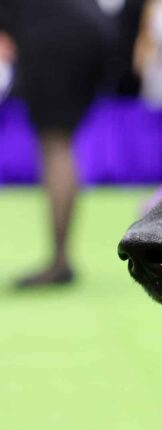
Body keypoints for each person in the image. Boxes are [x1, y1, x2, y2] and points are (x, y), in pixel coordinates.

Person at [0, 0, 113, 289]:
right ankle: (60, 259)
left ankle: (59, 262)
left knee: (55, 142)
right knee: (61, 139)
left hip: (52, 32)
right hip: (93, 25)